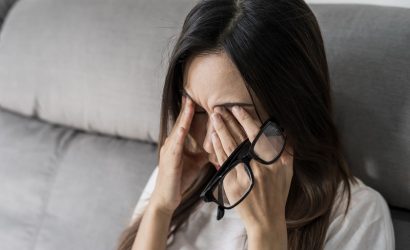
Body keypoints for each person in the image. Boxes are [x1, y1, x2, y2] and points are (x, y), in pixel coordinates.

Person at [117, 0, 395, 249]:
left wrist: (266, 230)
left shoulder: (356, 216)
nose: (207, 142)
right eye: (198, 110)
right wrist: (161, 208)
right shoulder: (176, 177)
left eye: (232, 116)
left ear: (292, 109)